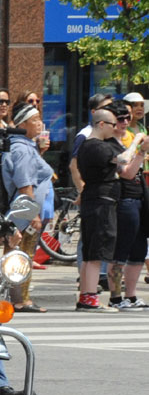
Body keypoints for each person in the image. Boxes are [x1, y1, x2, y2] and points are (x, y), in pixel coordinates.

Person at [76, 106, 133, 312]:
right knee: (96, 253)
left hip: (97, 200)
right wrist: (136, 143)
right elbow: (123, 160)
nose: (115, 127)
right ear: (101, 124)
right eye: (112, 124)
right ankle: (89, 297)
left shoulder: (91, 146)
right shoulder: (97, 147)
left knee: (92, 251)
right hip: (101, 201)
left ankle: (86, 295)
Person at [0, 101, 54, 312]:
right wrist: (33, 215)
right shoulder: (21, 149)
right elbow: (25, 185)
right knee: (21, 252)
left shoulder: (26, 146)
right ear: (22, 124)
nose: (40, 124)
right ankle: (19, 299)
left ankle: (19, 297)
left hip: (26, 207)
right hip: (24, 208)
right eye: (34, 120)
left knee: (21, 251)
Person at [106, 100, 148, 310]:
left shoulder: (130, 137)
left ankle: (131, 295)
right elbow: (127, 171)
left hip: (140, 195)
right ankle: (115, 296)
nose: (124, 122)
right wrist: (139, 150)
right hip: (124, 198)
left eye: (127, 117)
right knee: (121, 248)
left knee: (139, 248)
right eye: (119, 118)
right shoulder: (109, 144)